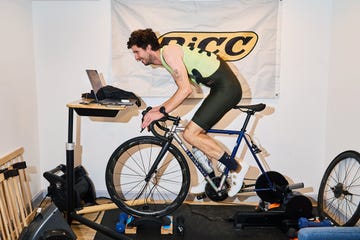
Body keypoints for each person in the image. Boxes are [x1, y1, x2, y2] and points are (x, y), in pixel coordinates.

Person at [127, 28, 249, 197]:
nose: (136, 57)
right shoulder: (165, 58)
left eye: (137, 52)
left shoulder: (169, 53)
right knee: (195, 135)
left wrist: (161, 112)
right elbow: (184, 88)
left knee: (190, 134)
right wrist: (158, 109)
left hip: (227, 89)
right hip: (220, 88)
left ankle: (236, 167)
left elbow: (185, 90)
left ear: (148, 47)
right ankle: (212, 181)